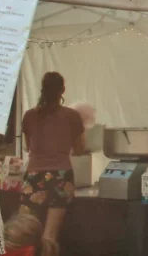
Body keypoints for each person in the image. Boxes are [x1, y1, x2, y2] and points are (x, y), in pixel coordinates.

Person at [20, 72, 86, 255]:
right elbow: (80, 150)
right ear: (62, 90)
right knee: (50, 236)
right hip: (61, 176)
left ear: (42, 89)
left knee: (25, 232)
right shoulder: (73, 116)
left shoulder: (29, 116)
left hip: (34, 175)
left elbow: (28, 146)